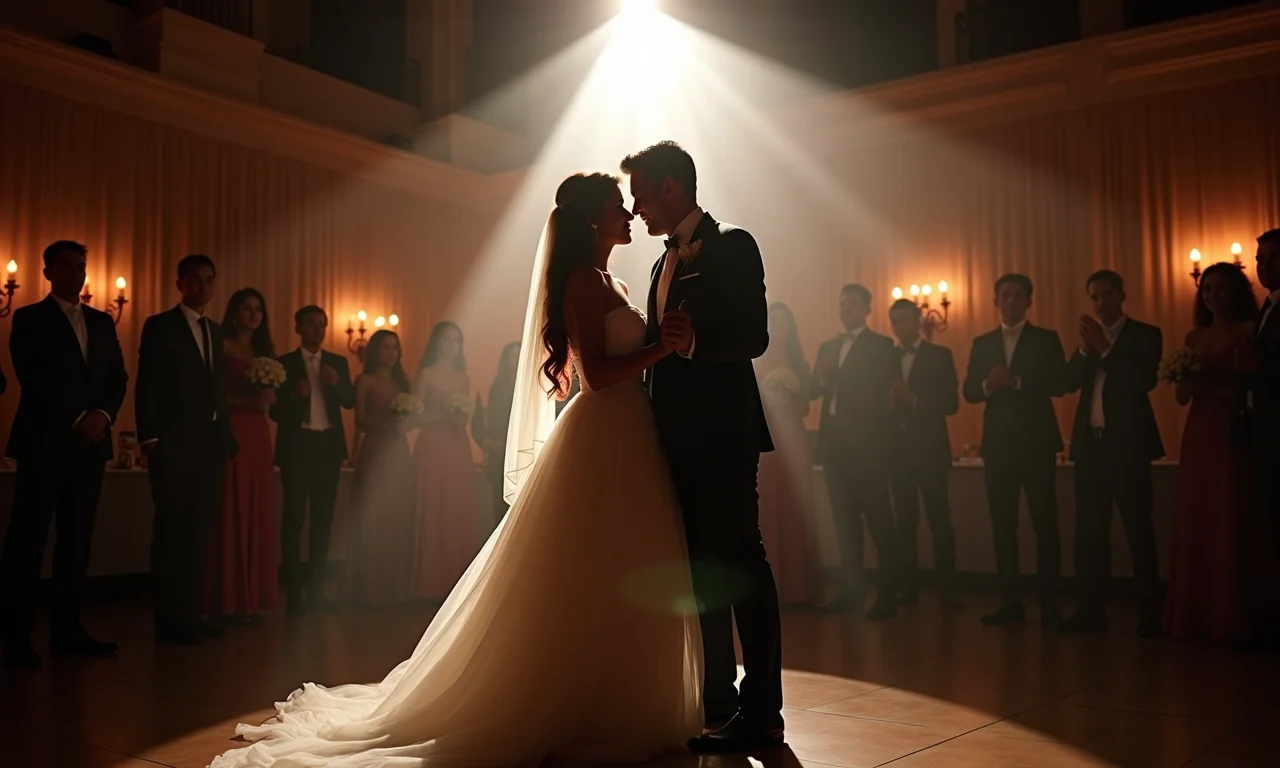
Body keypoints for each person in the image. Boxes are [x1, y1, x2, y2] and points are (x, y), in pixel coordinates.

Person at [210, 172, 700, 768]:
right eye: (617, 207)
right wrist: (662, 349)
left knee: (626, 559)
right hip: (602, 431)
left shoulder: (614, 280)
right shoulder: (578, 282)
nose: (628, 214)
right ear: (594, 221)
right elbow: (595, 376)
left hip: (631, 433)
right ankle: (570, 698)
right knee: (583, 567)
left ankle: (619, 693)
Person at [626, 140, 782, 752]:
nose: (637, 207)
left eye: (641, 193)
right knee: (698, 572)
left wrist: (694, 343)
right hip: (671, 440)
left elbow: (756, 335)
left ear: (670, 188)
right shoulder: (660, 263)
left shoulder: (732, 246)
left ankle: (763, 707)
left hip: (723, 434)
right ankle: (718, 694)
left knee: (742, 562)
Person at [0, 240, 127, 669]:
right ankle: (15, 635)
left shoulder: (101, 321)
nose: (77, 273)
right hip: (45, 441)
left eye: (81, 266)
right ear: (48, 271)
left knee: (77, 540)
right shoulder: (29, 317)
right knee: (28, 540)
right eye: (68, 266)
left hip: (90, 446)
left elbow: (118, 377)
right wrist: (79, 417)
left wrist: (103, 416)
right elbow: (32, 377)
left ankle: (68, 629)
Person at [1166, 262, 1276, 642]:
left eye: (1221, 288)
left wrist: (1212, 384)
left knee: (1230, 514)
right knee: (1199, 514)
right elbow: (1182, 397)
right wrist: (1185, 376)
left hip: (1232, 430)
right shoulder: (1194, 337)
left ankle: (1233, 614)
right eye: (1207, 289)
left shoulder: (1249, 331)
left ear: (1237, 292)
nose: (1212, 295)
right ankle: (1197, 614)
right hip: (1198, 434)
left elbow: (1251, 387)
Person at [136, 254, 238, 645]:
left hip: (208, 448)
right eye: (195, 279)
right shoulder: (160, 326)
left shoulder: (214, 330)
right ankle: (168, 617)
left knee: (198, 532)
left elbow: (217, 391)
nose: (202, 287)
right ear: (180, 282)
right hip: (173, 445)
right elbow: (148, 384)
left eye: (209, 280)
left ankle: (190, 612)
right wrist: (150, 438)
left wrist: (225, 440)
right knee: (170, 531)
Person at [1060, 271, 1164, 638]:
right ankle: (1090, 611)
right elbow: (1067, 382)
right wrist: (1086, 349)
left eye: (1105, 295)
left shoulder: (1145, 335)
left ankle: (1151, 615)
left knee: (1139, 530)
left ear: (1122, 295)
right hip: (1091, 446)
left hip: (1128, 448)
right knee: (1089, 533)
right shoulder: (1090, 340)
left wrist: (1105, 348)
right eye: (1094, 297)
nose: (1100, 303)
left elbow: (1141, 382)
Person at [962, 273, 1066, 629]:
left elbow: (1059, 383)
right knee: (1002, 525)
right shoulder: (982, 342)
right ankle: (1011, 601)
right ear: (996, 301)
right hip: (998, 446)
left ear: (1028, 301)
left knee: (1045, 524)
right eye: (1004, 294)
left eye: (1017, 295)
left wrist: (1016, 382)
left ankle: (1049, 604)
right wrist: (989, 386)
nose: (1010, 300)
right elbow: (969, 392)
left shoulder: (1046, 339)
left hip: (1036, 442)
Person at [812, 284, 901, 620]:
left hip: (866, 446)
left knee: (879, 520)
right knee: (845, 523)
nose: (845, 308)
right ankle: (851, 591)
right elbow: (813, 388)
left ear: (867, 308)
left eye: (851, 303)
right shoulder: (829, 346)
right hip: (834, 445)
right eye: (841, 303)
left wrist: (839, 378)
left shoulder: (881, 346)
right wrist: (821, 379)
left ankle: (888, 594)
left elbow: (878, 391)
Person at [271, 306, 355, 614]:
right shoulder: (284, 364)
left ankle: (317, 589)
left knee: (323, 521)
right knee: (293, 520)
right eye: (311, 324)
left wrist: (336, 384)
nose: (317, 330)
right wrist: (293, 395)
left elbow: (350, 400)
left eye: (322, 325)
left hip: (328, 448)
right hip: (297, 448)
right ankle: (293, 591)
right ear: (298, 328)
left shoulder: (337, 362)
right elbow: (274, 412)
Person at [203, 288, 279, 626]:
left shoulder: (264, 351)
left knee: (256, 508)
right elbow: (213, 394)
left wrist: (267, 396)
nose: (252, 315)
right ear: (235, 312)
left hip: (259, 434)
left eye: (258, 310)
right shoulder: (223, 345)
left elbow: (272, 400)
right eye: (247, 308)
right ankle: (226, 598)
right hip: (233, 429)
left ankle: (251, 599)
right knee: (231, 506)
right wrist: (250, 401)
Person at [886, 298, 961, 609]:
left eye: (906, 319)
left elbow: (950, 403)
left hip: (930, 451)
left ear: (918, 320)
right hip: (898, 452)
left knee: (940, 520)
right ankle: (908, 588)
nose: (901, 326)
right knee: (905, 523)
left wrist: (913, 398)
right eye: (895, 321)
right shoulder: (887, 357)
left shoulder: (939, 354)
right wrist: (887, 404)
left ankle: (948, 592)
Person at [753, 303, 823, 606]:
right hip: (766, 439)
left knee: (796, 505)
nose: (779, 324)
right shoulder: (756, 357)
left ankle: (797, 587)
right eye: (774, 318)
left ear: (790, 326)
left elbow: (806, 408)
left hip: (795, 437)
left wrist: (787, 404)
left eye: (784, 319)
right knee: (767, 505)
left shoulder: (799, 361)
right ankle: (772, 586)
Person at [412, 321, 482, 599]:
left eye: (456, 341)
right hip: (431, 446)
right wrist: (441, 415)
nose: (451, 346)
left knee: (456, 506)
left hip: (456, 446)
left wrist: (457, 415)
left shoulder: (463, 378)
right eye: (446, 340)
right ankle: (428, 583)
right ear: (436, 343)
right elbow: (415, 414)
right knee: (432, 504)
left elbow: (464, 418)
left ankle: (456, 583)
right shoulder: (426, 374)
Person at [349, 330, 417, 607]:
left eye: (395, 347)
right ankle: (369, 589)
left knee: (397, 516)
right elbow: (361, 421)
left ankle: (394, 588)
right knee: (371, 514)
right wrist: (389, 426)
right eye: (385, 347)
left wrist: (405, 424)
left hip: (399, 451)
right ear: (375, 351)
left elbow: (413, 418)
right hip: (376, 448)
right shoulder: (364, 380)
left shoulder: (403, 384)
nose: (390, 352)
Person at [472, 341, 520, 524]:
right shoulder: (494, 389)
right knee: (500, 513)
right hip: (497, 460)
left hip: (522, 456)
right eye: (513, 355)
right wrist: (486, 442)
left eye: (519, 354)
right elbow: (478, 420)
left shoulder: (529, 389)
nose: (516, 360)